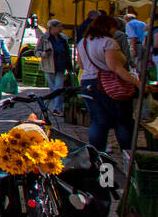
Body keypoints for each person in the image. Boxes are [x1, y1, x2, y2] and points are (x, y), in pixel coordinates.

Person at [77, 12, 142, 154]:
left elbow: (81, 65)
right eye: (114, 27)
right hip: (107, 84)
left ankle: (96, 154)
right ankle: (128, 154)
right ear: (107, 27)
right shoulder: (108, 42)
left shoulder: (83, 42)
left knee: (98, 121)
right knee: (122, 120)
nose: (115, 31)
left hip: (87, 82)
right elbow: (116, 68)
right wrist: (138, 83)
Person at [33, 18, 72, 117]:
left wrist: (69, 65)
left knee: (58, 88)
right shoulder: (44, 38)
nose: (61, 28)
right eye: (59, 27)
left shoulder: (63, 38)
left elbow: (67, 51)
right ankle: (55, 108)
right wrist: (44, 54)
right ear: (52, 27)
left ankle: (57, 108)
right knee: (53, 88)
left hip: (61, 65)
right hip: (49, 66)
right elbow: (37, 52)